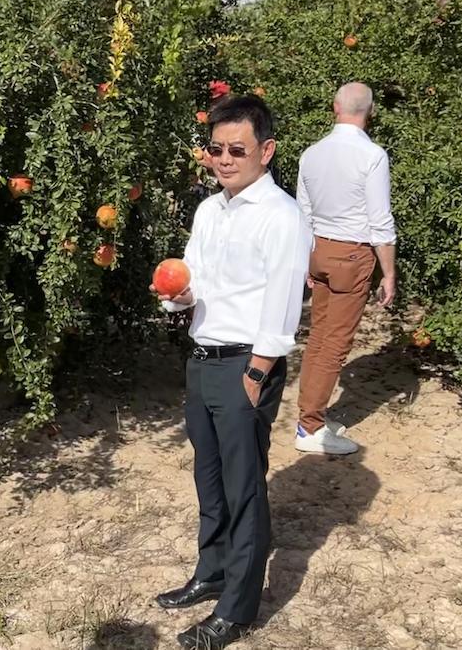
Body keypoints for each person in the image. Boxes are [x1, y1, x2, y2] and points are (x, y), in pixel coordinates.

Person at [153, 95, 312, 649]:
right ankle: (211, 570)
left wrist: (260, 369)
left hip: (246, 363)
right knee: (210, 477)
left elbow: (284, 301)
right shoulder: (209, 210)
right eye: (216, 148)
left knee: (245, 487)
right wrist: (176, 296)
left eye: (236, 149)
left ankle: (238, 608)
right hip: (202, 359)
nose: (224, 159)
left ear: (265, 151)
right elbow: (194, 281)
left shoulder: (282, 216)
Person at [293, 82, 397, 455]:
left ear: (335, 107)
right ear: (369, 112)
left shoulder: (312, 153)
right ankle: (310, 428)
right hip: (352, 256)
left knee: (319, 337)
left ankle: (311, 414)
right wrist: (389, 272)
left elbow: (302, 212)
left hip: (319, 250)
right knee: (334, 344)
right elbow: (379, 220)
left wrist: (305, 257)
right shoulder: (372, 155)